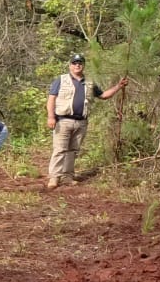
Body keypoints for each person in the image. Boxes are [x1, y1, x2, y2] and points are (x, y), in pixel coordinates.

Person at [46, 54, 128, 189]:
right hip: (63, 121)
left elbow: (103, 95)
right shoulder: (61, 80)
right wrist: (50, 117)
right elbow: (51, 100)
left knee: (73, 150)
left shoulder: (89, 83)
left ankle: (67, 176)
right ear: (70, 65)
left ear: (83, 65)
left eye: (80, 62)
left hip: (81, 122)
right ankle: (54, 178)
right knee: (60, 150)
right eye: (74, 62)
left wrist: (119, 86)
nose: (77, 65)